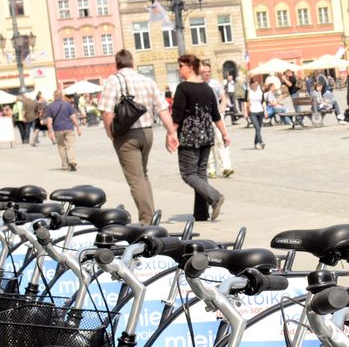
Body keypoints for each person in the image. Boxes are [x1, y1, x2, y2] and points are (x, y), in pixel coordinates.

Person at [97, 49, 178, 224]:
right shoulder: (147, 80)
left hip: (126, 135)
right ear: (132, 63)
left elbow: (106, 111)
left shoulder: (113, 81)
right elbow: (162, 109)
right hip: (147, 133)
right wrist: (171, 132)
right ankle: (151, 215)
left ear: (117, 64)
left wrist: (110, 133)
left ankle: (147, 221)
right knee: (143, 175)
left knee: (135, 179)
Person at [172, 54, 228, 222]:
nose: (179, 69)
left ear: (190, 67)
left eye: (181, 66)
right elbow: (216, 115)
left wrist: (170, 134)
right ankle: (201, 214)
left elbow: (177, 116)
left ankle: (215, 197)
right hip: (206, 135)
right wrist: (224, 133)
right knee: (200, 174)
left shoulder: (183, 88)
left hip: (189, 136)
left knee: (188, 174)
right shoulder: (207, 88)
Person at [201, 62, 233, 178]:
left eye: (209, 71)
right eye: (205, 72)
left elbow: (223, 98)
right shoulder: (198, 85)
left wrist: (222, 109)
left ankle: (226, 167)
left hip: (217, 116)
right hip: (204, 118)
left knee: (222, 140)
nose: (207, 74)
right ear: (200, 73)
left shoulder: (215, 84)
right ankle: (211, 169)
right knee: (208, 144)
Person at [44, 88, 81, 171]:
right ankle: (72, 161)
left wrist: (50, 132)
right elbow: (73, 117)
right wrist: (78, 127)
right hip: (69, 128)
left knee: (61, 147)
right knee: (70, 145)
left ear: (54, 96)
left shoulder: (50, 107)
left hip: (58, 129)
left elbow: (49, 121)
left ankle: (65, 165)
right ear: (62, 96)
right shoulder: (68, 105)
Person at [246, 75, 267, 149]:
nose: (255, 85)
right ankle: (261, 142)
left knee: (258, 128)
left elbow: (263, 101)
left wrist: (265, 111)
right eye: (254, 84)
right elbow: (245, 102)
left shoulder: (260, 90)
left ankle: (255, 143)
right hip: (252, 112)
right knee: (257, 127)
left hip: (260, 111)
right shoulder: (248, 91)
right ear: (251, 84)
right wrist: (245, 112)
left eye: (256, 84)